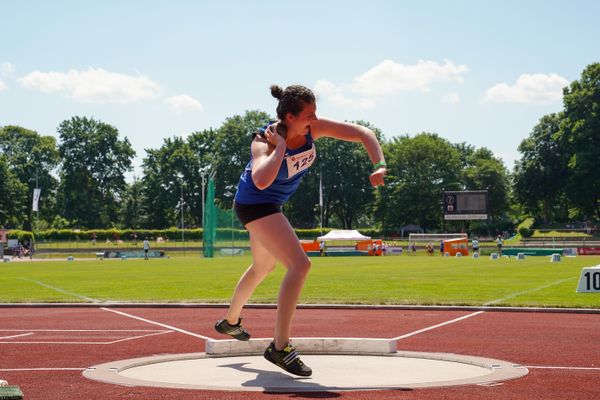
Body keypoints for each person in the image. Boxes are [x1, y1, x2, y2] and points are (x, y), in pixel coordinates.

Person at [214, 84, 386, 377]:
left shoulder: (311, 130)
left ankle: (230, 322)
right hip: (256, 206)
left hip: (271, 206)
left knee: (261, 268)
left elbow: (362, 133)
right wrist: (280, 147)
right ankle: (279, 347)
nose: (316, 120)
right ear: (290, 117)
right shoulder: (262, 141)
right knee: (300, 264)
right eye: (309, 115)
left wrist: (379, 164)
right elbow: (262, 180)